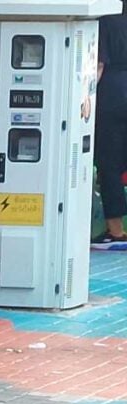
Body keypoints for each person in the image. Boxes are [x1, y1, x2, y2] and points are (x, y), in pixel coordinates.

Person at [94, 5, 127, 249]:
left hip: (112, 95)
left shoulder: (105, 18)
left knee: (109, 163)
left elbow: (99, 64)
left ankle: (115, 231)